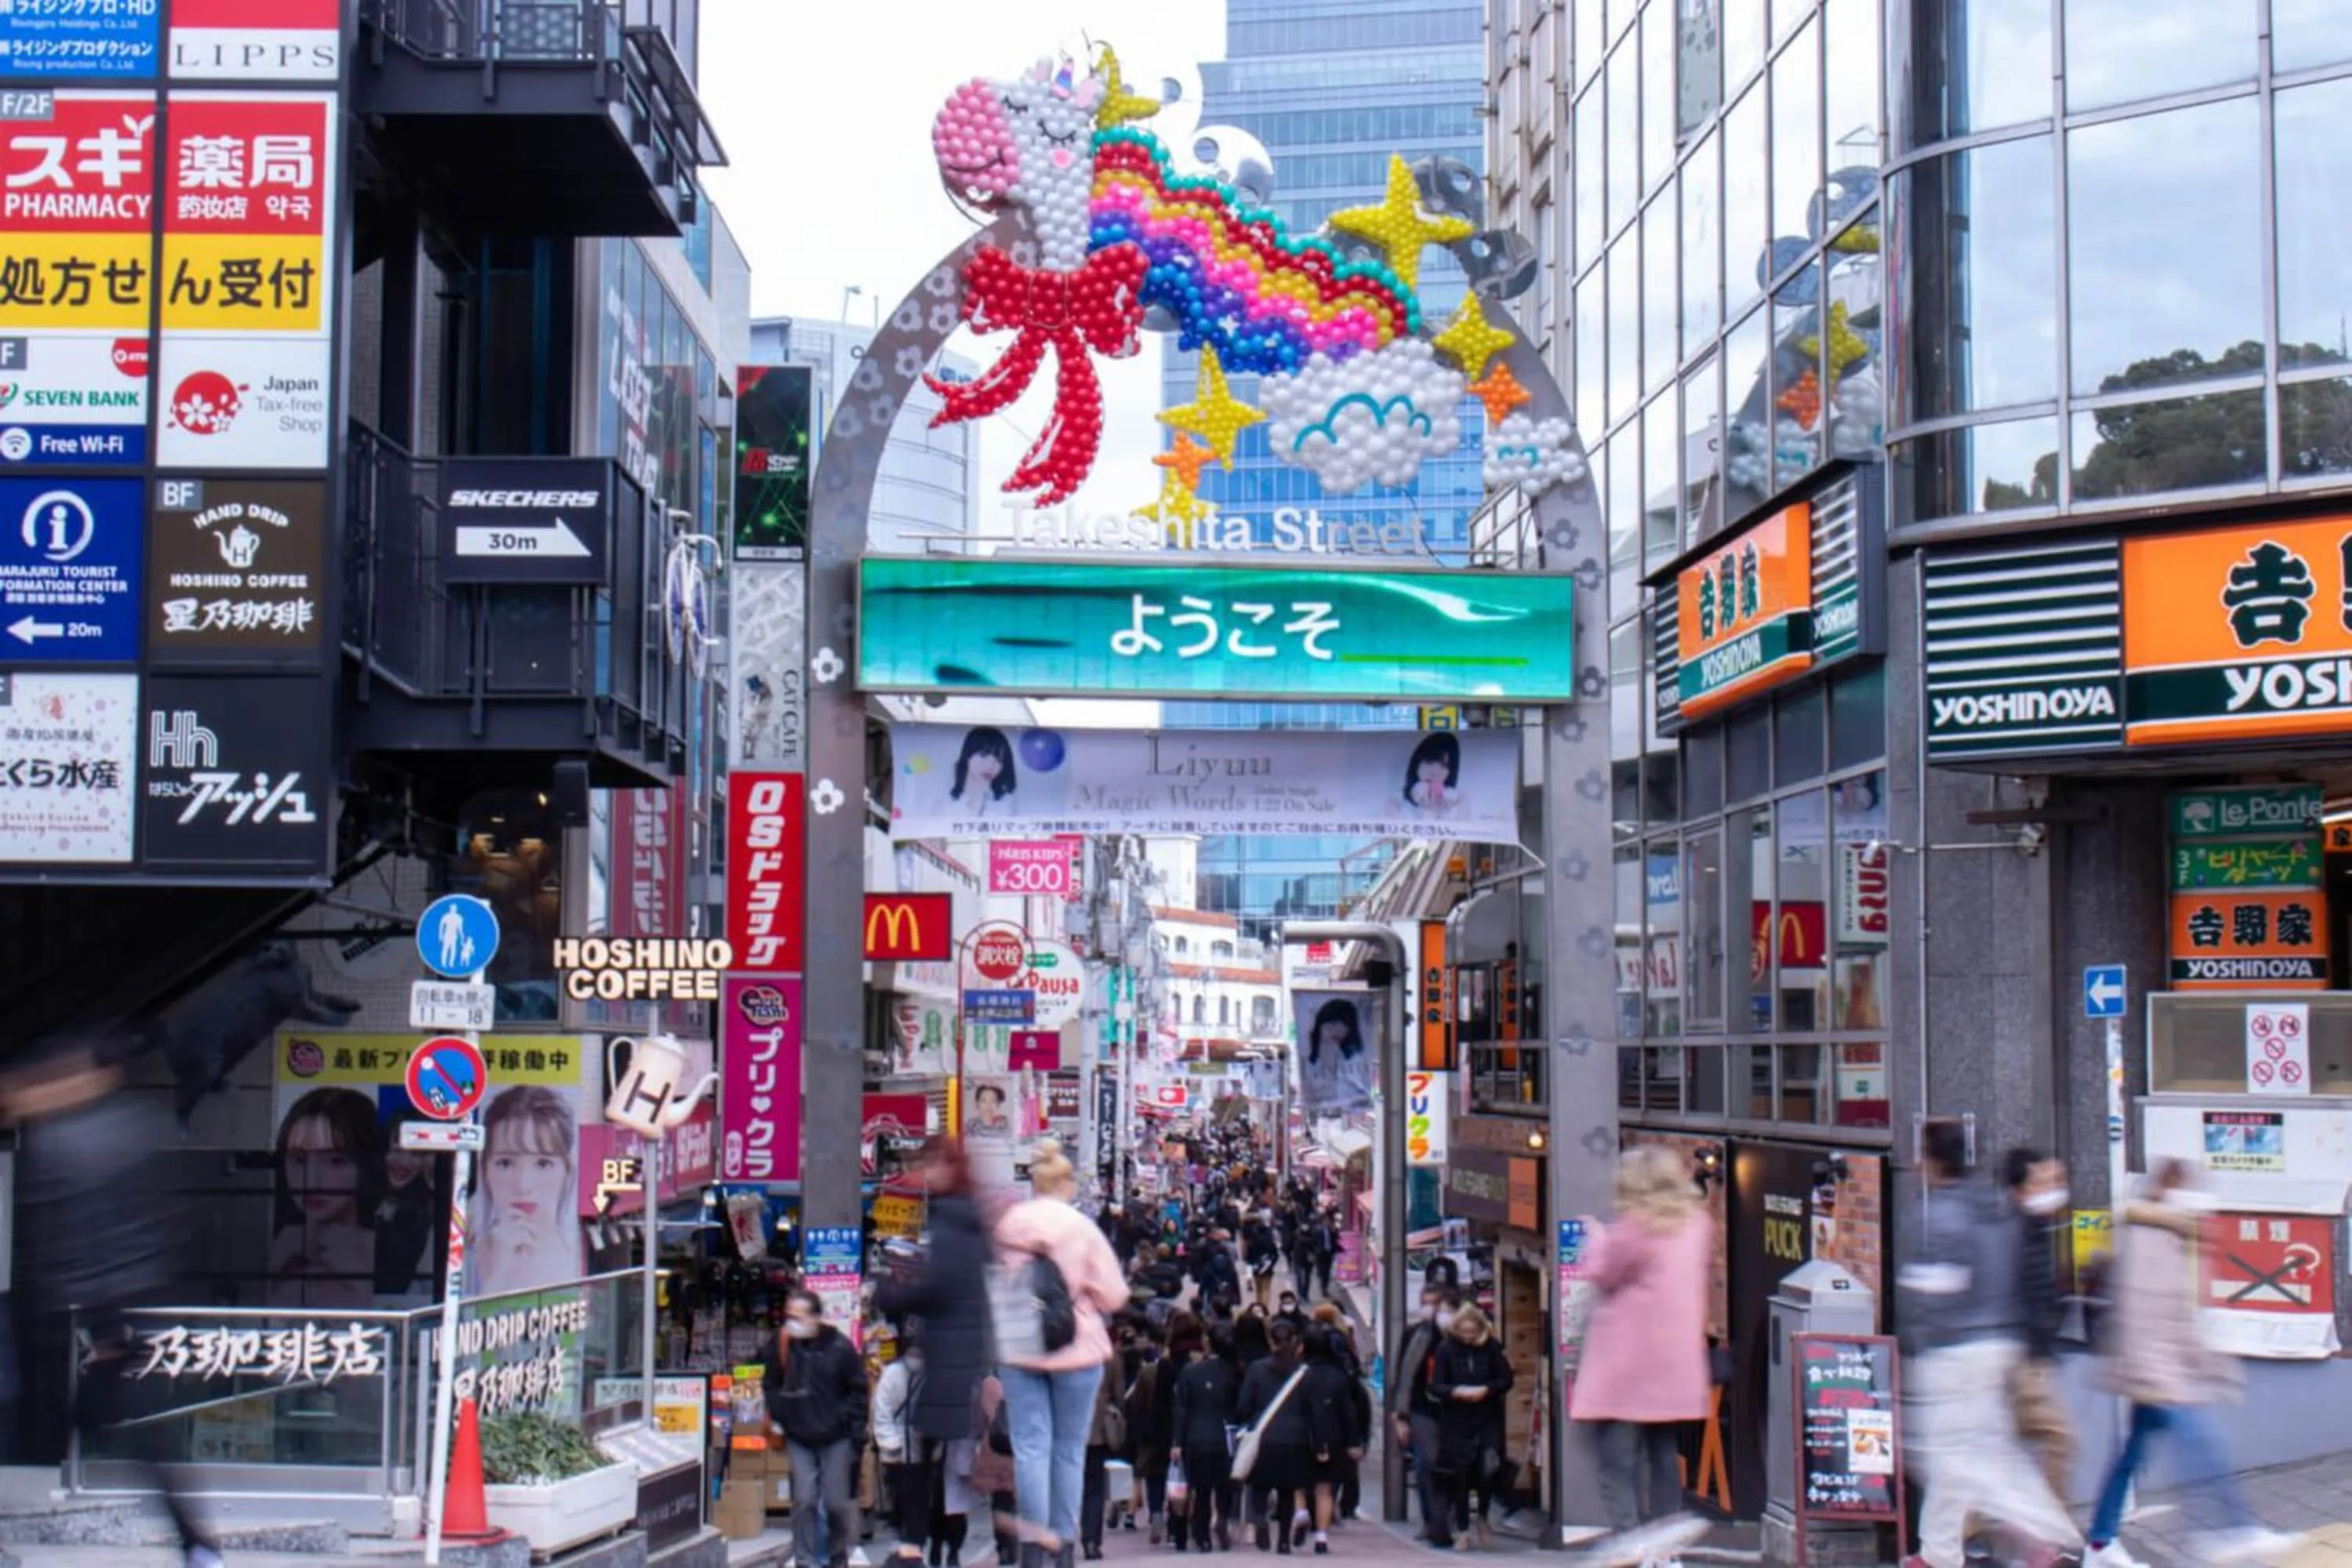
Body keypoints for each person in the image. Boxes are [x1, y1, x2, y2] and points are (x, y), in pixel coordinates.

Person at [7, 1042, 221, 1568]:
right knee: (143, 1441)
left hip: (73, 1323)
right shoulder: (122, 1131)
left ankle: (196, 1542)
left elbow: (81, 1240)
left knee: (123, 1435)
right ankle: (197, 1544)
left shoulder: (67, 1142)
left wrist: (103, 1330)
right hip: (107, 1318)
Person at [2081, 1162, 2301, 1568]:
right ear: (2173, 1194)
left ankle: (2099, 1543)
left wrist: (2215, 1369)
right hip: (2154, 1372)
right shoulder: (2152, 1237)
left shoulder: (2177, 1239)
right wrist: (2160, 1375)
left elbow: (2183, 1319)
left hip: (2161, 1370)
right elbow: (2140, 1314)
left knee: (2134, 1454)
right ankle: (2230, 1531)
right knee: (2201, 1441)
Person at [1899, 1121, 2080, 1568]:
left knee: (1956, 1456)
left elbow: (1934, 1289)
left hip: (1953, 1351)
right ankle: (1938, 1554)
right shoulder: (1992, 1207)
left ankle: (2044, 1533)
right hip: (2000, 1346)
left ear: (1932, 1160)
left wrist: (1916, 1337)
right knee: (1966, 1451)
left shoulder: (1935, 1214)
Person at [1570, 1146, 1715, 1567]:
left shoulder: (1635, 1229)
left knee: (1617, 1461)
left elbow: (1602, 1272)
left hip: (1627, 1366)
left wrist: (1596, 1236)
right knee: (1663, 1455)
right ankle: (1667, 1550)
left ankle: (1631, 1545)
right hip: (1674, 1365)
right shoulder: (1697, 1224)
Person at [992, 1142, 1131, 1568]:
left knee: (1030, 1447)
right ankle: (1063, 1541)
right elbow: (1113, 1294)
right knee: (1069, 1451)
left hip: (1019, 1342)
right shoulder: (1081, 1228)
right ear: (1065, 1183)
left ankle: (1033, 1543)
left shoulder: (1007, 1224)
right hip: (1074, 1344)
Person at [877, 1137, 994, 1565]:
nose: (926, 1173)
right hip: (958, 1358)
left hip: (946, 1361)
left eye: (931, 1164)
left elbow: (939, 1286)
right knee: (936, 1469)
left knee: (923, 1469)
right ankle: (921, 1546)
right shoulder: (967, 1217)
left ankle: (912, 1548)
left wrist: (894, 1293)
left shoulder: (951, 1222)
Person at [762, 1288, 869, 1568]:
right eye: (789, 1315)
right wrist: (781, 1414)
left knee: (836, 1504)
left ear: (815, 1318)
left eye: (798, 1316)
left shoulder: (840, 1348)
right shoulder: (782, 1344)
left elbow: (858, 1390)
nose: (792, 1321)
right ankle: (805, 1560)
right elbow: (770, 1383)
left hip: (836, 1436)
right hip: (799, 1435)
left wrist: (853, 1429)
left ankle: (837, 1556)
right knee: (804, 1500)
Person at [2004, 1148, 2077, 1512]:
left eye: (2057, 1181)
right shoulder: (2017, 1233)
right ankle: (2051, 1535)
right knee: (2060, 1439)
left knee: (1998, 1451)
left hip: (2029, 1358)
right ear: (2019, 1190)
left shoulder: (2038, 1228)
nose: (2054, 1190)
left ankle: (1966, 1534)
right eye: (2043, 1182)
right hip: (2023, 1361)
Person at [270, 1087, 382, 1308]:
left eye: (336, 1161)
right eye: (299, 1160)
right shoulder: (281, 1246)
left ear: (366, 1164)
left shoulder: (385, 1250)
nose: (312, 1180)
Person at [468, 1084, 579, 1296]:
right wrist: (498, 1275)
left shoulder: (572, 1259)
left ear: (567, 1172)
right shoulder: (466, 1253)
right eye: (506, 1163)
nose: (523, 1185)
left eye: (543, 1164)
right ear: (484, 1169)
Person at [1236, 1321, 1330, 1557]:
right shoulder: (1305, 1373)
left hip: (1265, 1436)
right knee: (1287, 1492)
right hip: (1296, 1437)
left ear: (1271, 1340)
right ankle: (1284, 1542)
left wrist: (1250, 1420)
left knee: (1259, 1485)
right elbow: (1315, 1411)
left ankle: (1259, 1520)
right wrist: (1320, 1444)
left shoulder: (1257, 1369)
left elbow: (1243, 1405)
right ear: (1296, 1342)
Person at [1431, 1304, 1514, 1552]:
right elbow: (1436, 1385)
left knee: (1488, 1468)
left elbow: (1506, 1379)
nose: (1468, 1336)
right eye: (1464, 1331)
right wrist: (1455, 1392)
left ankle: (1483, 1518)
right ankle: (1464, 1529)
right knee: (1460, 1474)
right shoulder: (1446, 1349)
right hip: (1456, 1419)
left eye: (1472, 1331)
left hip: (1487, 1416)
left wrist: (1487, 1390)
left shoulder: (1491, 1348)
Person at [1388, 1283, 1461, 1547]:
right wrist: (1400, 1415)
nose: (1430, 1309)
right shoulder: (1416, 1335)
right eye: (1426, 1302)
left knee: (1451, 1466)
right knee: (1427, 1463)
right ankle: (1434, 1522)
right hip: (1422, 1409)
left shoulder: (1463, 1336)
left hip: (1455, 1412)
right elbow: (1405, 1375)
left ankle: (1446, 1518)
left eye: (1436, 1304)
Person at [1172, 1322, 1240, 1553]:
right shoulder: (1232, 1372)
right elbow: (1238, 1406)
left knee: (1200, 1490)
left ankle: (1202, 1536)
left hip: (1196, 1435)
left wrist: (1177, 1442)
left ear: (1207, 1343)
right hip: (1224, 1434)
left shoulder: (1190, 1371)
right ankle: (1223, 1516)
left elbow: (1181, 1409)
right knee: (1224, 1486)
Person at [1300, 1324, 1361, 1553]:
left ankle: (1301, 1513)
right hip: (1332, 1435)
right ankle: (1322, 1536)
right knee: (1325, 1489)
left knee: (1299, 1485)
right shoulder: (1338, 1376)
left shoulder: (1299, 1373)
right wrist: (1353, 1442)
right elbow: (1348, 1412)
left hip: (1303, 1435)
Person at [874, 1333, 924, 1563]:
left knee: (914, 1500)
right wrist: (891, 1444)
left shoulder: (897, 1372)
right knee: (904, 1499)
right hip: (902, 1450)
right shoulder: (893, 1374)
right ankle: (908, 1548)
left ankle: (911, 1548)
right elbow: (882, 1411)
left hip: (917, 1448)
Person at [1298, 1000, 1373, 1114]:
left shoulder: (1356, 1061)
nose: (1337, 1029)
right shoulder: (1306, 1064)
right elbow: (1306, 1101)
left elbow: (1368, 1097)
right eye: (1332, 1023)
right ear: (1320, 1025)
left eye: (1344, 1024)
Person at [952, 727, 1019, 816]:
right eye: (983, 755)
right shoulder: (946, 803)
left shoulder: (1005, 804)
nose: (991, 765)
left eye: (998, 760)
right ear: (967, 755)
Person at [1401, 732, 1465, 817]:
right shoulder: (1397, 800)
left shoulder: (1459, 800)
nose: (1435, 773)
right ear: (1417, 762)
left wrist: (1447, 814)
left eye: (1443, 766)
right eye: (1429, 762)